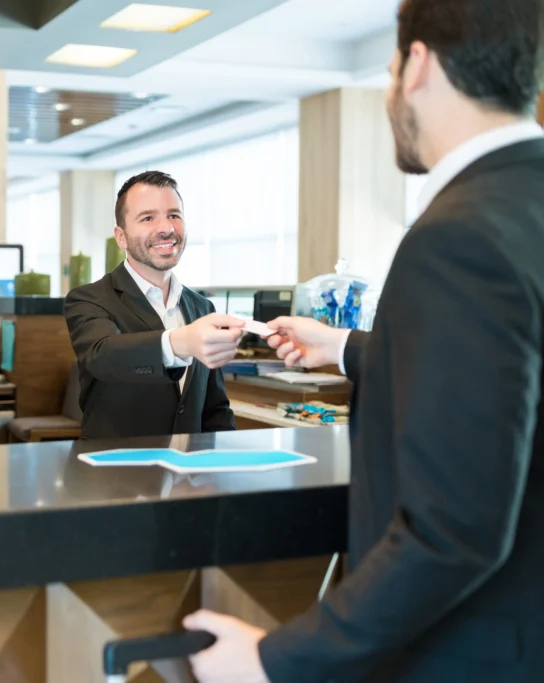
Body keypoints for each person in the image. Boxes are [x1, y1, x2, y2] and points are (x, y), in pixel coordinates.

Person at [182, 0, 544, 680]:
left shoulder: (457, 237)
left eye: (386, 73)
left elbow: (452, 532)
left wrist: (274, 658)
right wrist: (345, 346)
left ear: (417, 66)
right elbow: (508, 376)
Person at [64, 171, 244, 439]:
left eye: (174, 215)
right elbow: (104, 357)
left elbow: (215, 409)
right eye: (148, 218)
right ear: (121, 236)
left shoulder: (202, 308)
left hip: (189, 474)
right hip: (115, 474)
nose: (166, 228)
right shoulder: (89, 299)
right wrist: (180, 342)